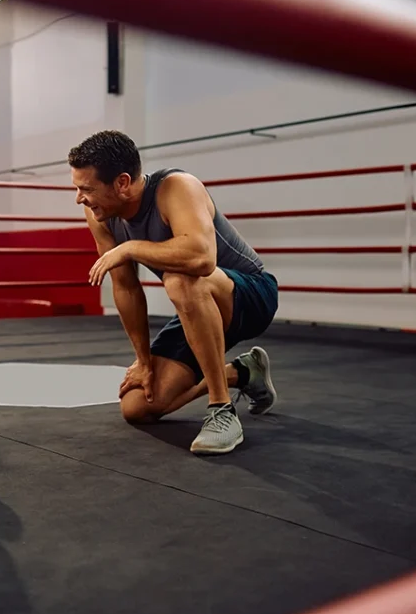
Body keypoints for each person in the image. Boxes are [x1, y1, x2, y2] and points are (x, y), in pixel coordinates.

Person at [69, 130, 279, 455]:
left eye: (87, 189)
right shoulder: (100, 215)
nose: (80, 198)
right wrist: (143, 362)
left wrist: (132, 247)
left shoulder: (177, 187)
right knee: (138, 406)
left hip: (251, 296)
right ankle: (241, 373)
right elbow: (126, 287)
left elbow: (201, 258)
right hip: (196, 304)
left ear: (122, 182)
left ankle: (221, 409)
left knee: (180, 279)